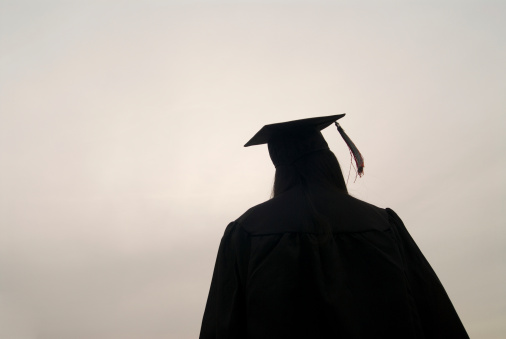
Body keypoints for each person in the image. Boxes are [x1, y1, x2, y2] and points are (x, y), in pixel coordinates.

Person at [199, 115, 469, 339]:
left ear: (280, 171)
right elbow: (435, 314)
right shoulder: (383, 225)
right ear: (328, 161)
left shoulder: (247, 231)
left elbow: (221, 327)